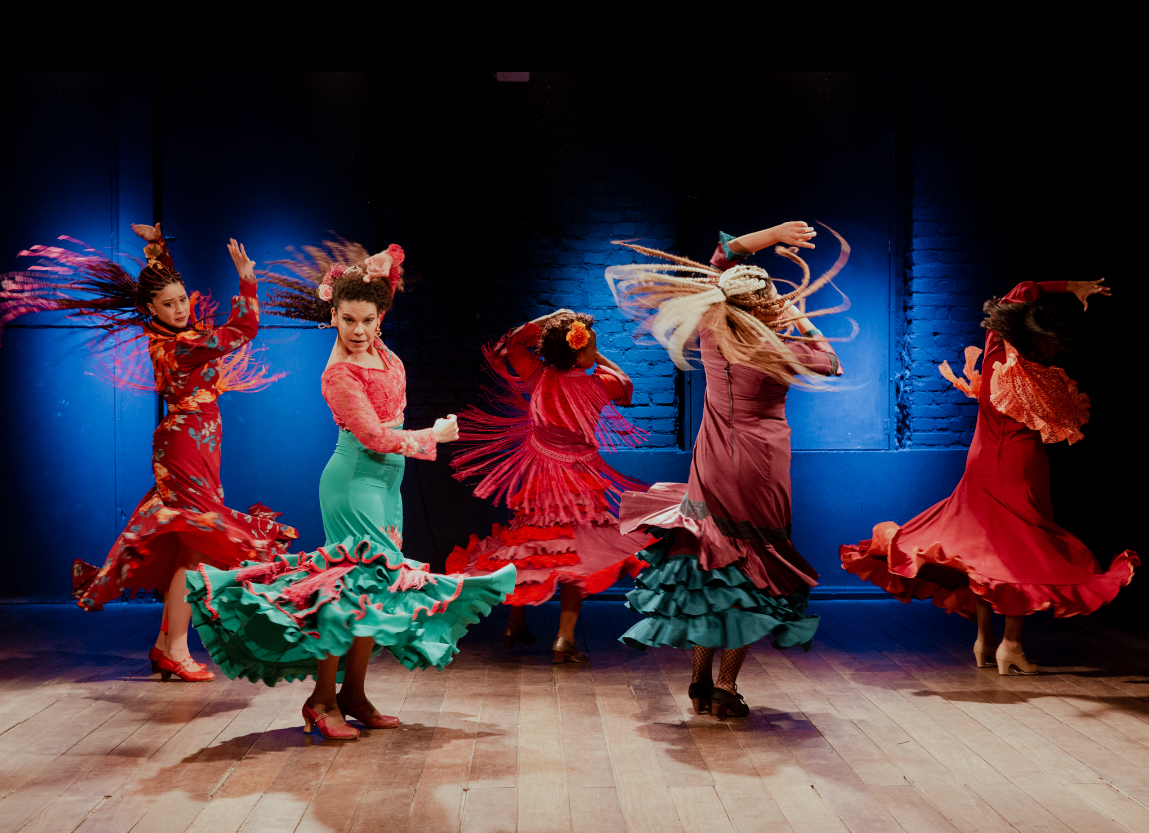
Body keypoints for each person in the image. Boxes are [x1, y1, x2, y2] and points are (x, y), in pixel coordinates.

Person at [187, 239, 517, 739]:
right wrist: (434, 435)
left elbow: (381, 282)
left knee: (375, 591)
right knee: (345, 592)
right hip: (353, 482)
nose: (359, 330)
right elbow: (374, 436)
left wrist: (374, 274)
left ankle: (354, 694)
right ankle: (322, 701)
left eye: (367, 320)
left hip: (387, 485)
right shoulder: (339, 373)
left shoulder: (384, 353)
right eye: (348, 320)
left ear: (380, 317)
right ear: (333, 318)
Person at [1, 224, 296, 683]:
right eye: (169, 304)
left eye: (183, 300)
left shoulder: (172, 331)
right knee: (195, 543)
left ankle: (165, 646)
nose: (180, 308)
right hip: (185, 447)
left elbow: (168, 288)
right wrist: (246, 279)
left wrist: (157, 251)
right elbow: (244, 328)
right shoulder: (180, 348)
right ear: (150, 310)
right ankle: (175, 648)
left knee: (186, 545)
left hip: (197, 441)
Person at [607, 221, 848, 719]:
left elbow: (721, 257)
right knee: (750, 574)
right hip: (759, 463)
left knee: (709, 566)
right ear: (766, 308)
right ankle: (725, 686)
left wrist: (769, 235)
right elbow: (831, 361)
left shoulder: (714, 331)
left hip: (713, 459)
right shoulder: (776, 347)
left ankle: (698, 683)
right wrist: (800, 318)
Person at [840, 278, 1138, 675]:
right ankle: (1010, 645)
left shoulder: (997, 355)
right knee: (1021, 552)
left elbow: (1021, 292)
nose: (1056, 350)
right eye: (1051, 343)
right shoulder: (1021, 368)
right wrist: (1069, 286)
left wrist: (1068, 287)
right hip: (1017, 466)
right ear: (1034, 342)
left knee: (986, 556)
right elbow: (1023, 290)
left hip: (983, 462)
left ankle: (984, 642)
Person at [445, 310, 653, 663]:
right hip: (579, 481)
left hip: (540, 477)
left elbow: (512, 344)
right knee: (574, 556)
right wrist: (594, 356)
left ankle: (515, 623)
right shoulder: (597, 384)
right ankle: (564, 639)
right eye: (592, 347)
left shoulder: (537, 373)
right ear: (579, 352)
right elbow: (626, 383)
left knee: (530, 547)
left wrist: (556, 320)